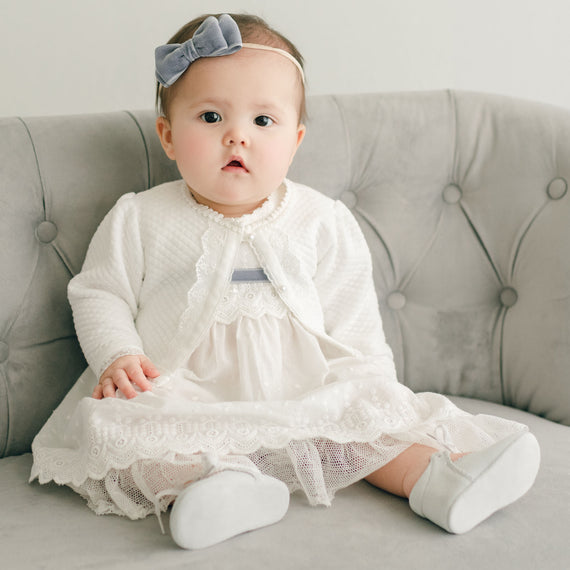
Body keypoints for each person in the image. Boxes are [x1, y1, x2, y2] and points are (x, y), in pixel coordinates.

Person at [30, 13, 540, 550]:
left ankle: (438, 480)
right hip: (185, 392)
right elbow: (99, 292)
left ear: (295, 140)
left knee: (365, 422)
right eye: (209, 116)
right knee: (120, 429)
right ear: (168, 136)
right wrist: (118, 354)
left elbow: (352, 315)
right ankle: (214, 487)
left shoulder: (322, 220)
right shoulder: (140, 217)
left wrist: (373, 386)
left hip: (303, 390)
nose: (236, 137)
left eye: (263, 122)